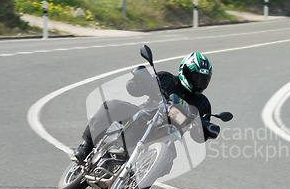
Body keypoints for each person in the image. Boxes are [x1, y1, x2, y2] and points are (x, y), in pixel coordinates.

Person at [74, 51, 218, 162]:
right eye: (196, 77)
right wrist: (140, 82)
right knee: (112, 106)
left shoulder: (203, 104)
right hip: (144, 114)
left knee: (168, 161)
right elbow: (132, 89)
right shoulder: (167, 79)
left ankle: (132, 181)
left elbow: (198, 137)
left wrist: (206, 130)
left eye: (203, 79)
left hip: (167, 136)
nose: (199, 83)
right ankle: (86, 145)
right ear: (184, 71)